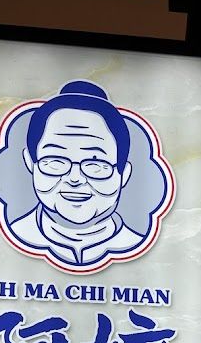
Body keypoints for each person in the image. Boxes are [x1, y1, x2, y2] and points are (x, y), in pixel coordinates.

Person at [10, 80, 143, 267]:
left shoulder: (135, 245)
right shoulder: (10, 239)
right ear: (30, 164)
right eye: (56, 161)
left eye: (95, 164)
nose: (75, 178)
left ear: (124, 174)